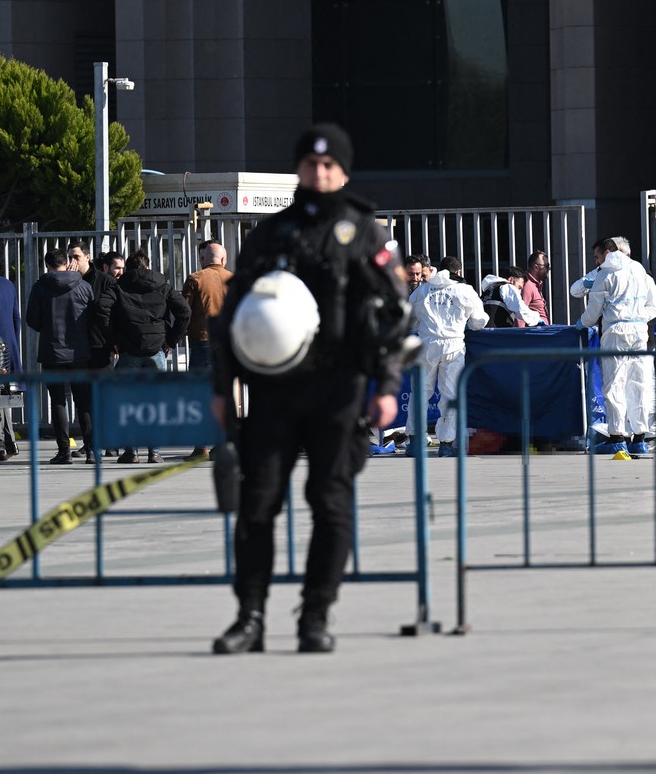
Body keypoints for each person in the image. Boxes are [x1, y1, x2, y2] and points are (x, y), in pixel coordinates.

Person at [209, 123, 417, 655]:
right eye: (310, 165)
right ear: (298, 169)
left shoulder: (367, 232)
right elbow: (230, 318)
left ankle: (315, 615)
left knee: (330, 503)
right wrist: (221, 386)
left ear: (343, 171)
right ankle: (249, 617)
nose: (319, 174)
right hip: (273, 391)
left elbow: (396, 318)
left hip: (340, 390)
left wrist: (387, 385)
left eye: (329, 166)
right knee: (257, 506)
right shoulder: (271, 233)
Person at [96, 250, 191, 463]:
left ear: (129, 268)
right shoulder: (163, 285)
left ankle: (131, 451)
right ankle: (154, 452)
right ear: (147, 266)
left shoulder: (119, 286)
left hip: (129, 352)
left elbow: (102, 309)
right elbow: (185, 312)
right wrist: (171, 341)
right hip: (156, 351)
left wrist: (114, 340)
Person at [579, 238, 656, 455]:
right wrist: (638, 319)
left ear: (606, 252)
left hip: (615, 333)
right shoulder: (638, 269)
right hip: (639, 333)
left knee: (614, 385)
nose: (596, 261)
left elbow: (593, 312)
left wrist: (583, 323)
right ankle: (640, 437)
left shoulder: (605, 274)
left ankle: (617, 437)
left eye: (597, 257)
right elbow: (653, 303)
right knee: (638, 383)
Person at [408, 256, 489, 457]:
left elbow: (409, 321)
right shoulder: (465, 290)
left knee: (419, 392)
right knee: (450, 395)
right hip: (453, 345)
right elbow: (479, 321)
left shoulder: (422, 290)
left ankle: (415, 441)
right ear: (459, 272)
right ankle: (446, 443)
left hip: (426, 344)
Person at [25, 249, 94, 465]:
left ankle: (64, 451)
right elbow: (93, 318)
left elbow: (32, 320)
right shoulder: (84, 286)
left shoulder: (40, 287)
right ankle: (91, 451)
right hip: (80, 352)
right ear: (66, 263)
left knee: (57, 402)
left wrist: (47, 328)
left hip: (52, 352)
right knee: (83, 402)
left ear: (48, 265)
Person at [181, 240, 233, 460]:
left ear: (203, 259)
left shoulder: (195, 279)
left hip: (202, 343)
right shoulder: (234, 280)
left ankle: (201, 447)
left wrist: (177, 335)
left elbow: (183, 311)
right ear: (223, 259)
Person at [68, 241, 115, 457]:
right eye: (69, 257)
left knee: (104, 397)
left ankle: (109, 442)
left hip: (101, 346)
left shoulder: (104, 281)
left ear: (87, 257)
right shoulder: (69, 281)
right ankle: (90, 444)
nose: (72, 262)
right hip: (77, 348)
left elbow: (113, 312)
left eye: (76, 257)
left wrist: (115, 341)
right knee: (82, 399)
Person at [0, 255, 22, 461]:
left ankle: (4, 444)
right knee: (0, 396)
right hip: (6, 347)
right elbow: (16, 318)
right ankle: (6, 443)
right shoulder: (7, 285)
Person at [523, 250, 551, 325]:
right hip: (535, 333)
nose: (549, 269)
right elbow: (521, 313)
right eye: (546, 266)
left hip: (541, 332)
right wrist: (519, 335)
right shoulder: (528, 285)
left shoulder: (536, 284)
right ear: (536, 267)